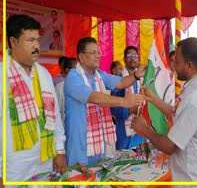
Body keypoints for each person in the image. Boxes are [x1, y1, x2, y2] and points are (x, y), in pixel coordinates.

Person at [131, 37, 197, 184]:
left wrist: (144, 129)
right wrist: (153, 99)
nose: (174, 66)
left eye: (177, 62)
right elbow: (177, 113)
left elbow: (170, 146)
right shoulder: (196, 85)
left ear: (189, 65)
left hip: (194, 180)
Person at [1, 14, 67, 181]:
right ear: (13, 42)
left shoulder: (44, 74)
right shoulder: (2, 75)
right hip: (13, 168)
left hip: (44, 162)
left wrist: (59, 150)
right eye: (30, 40)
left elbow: (55, 115)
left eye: (38, 40)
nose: (36, 46)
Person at [64, 37, 146, 166]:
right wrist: (124, 101)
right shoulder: (73, 78)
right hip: (80, 145)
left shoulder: (99, 75)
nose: (98, 56)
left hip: (99, 144)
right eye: (93, 53)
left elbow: (120, 82)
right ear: (81, 57)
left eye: (98, 52)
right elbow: (94, 97)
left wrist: (136, 75)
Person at [110, 46, 146, 150]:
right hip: (125, 132)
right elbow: (113, 108)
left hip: (141, 130)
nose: (132, 58)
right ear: (124, 59)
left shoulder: (143, 78)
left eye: (135, 55)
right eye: (129, 56)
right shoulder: (119, 80)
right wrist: (130, 110)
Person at [55, 57, 76, 126]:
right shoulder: (60, 87)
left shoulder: (84, 86)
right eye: (75, 68)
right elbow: (56, 109)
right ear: (67, 70)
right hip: (64, 126)